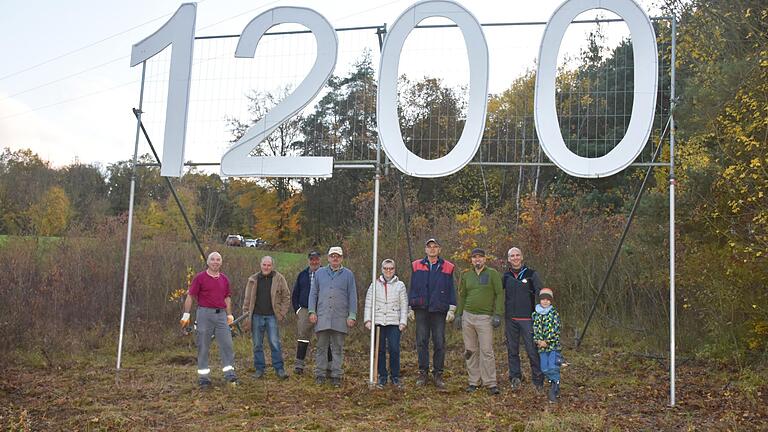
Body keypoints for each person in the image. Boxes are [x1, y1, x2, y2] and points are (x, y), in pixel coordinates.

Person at [179, 251, 238, 388]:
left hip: (221, 316)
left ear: (221, 263)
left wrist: (229, 315)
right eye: (213, 259)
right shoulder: (200, 278)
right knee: (203, 345)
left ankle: (230, 374)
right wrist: (186, 314)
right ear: (208, 262)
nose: (215, 262)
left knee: (227, 345)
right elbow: (190, 296)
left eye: (218, 260)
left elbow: (227, 297)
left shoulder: (224, 279)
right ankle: (204, 377)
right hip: (204, 314)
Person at [409, 238, 457, 388]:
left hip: (439, 309)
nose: (432, 249)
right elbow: (412, 287)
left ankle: (438, 373)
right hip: (421, 309)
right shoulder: (416, 265)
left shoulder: (448, 267)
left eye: (435, 246)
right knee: (422, 341)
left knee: (439, 342)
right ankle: (423, 372)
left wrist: (452, 308)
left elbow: (451, 288)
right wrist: (410, 307)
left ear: (439, 249)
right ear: (425, 250)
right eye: (429, 247)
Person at [455, 248, 503, 395]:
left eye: (480, 257)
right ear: (471, 260)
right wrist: (459, 314)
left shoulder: (492, 274)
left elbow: (499, 293)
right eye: (474, 257)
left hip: (485, 318)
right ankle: (474, 381)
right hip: (468, 317)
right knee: (470, 350)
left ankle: (490, 382)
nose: (477, 260)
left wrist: (498, 314)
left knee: (486, 350)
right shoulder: (466, 275)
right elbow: (462, 296)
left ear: (485, 259)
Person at [308, 246, 357, 387]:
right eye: (332, 256)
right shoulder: (319, 273)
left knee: (337, 348)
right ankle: (320, 374)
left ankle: (336, 375)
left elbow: (352, 296)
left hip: (340, 317)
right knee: (321, 348)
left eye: (338, 256)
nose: (335, 258)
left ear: (341, 258)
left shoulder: (348, 275)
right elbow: (313, 294)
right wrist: (312, 311)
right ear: (328, 258)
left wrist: (352, 315)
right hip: (322, 316)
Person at [503, 247, 545, 391]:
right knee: (512, 350)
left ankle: (538, 380)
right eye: (512, 256)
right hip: (510, 319)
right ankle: (515, 377)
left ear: (521, 257)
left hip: (528, 319)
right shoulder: (506, 276)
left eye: (517, 255)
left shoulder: (531, 274)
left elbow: (541, 292)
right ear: (508, 259)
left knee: (532, 350)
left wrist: (544, 311)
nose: (515, 258)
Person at [242, 255, 291, 379]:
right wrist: (246, 315)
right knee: (257, 344)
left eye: (269, 265)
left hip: (272, 317)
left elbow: (286, 296)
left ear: (272, 266)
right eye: (264, 265)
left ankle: (279, 369)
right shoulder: (253, 279)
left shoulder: (279, 278)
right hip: (256, 316)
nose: (266, 267)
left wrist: (282, 313)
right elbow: (247, 299)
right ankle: (259, 370)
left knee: (275, 343)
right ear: (261, 265)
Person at [364, 259, 408, 388]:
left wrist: (403, 321)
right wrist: (368, 320)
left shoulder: (400, 285)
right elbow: (368, 303)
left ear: (394, 270)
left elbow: (404, 305)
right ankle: (382, 376)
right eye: (386, 268)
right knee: (380, 350)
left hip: (394, 322)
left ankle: (395, 377)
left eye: (391, 268)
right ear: (382, 269)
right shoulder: (374, 284)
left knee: (394, 349)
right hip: (378, 322)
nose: (388, 271)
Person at [291, 251, 333, 375]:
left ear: (320, 260)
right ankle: (299, 366)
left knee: (324, 337)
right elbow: (295, 294)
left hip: (322, 309)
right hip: (304, 309)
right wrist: (297, 310)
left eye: (316, 259)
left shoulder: (327, 273)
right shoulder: (302, 275)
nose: (314, 262)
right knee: (303, 337)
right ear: (308, 260)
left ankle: (329, 366)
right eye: (312, 259)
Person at [532, 288, 562, 402]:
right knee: (544, 368)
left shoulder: (553, 314)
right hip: (541, 347)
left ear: (551, 301)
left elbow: (556, 330)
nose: (545, 301)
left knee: (553, 367)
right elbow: (534, 330)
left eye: (547, 299)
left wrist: (547, 341)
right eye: (543, 299)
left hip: (553, 346)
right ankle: (552, 382)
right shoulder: (536, 314)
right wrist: (538, 341)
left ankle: (555, 387)